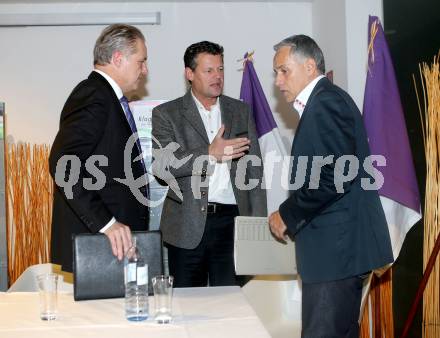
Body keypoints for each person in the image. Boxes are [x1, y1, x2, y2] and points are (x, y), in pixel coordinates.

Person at [268, 35, 393, 337]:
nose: (278, 81)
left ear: (310, 66)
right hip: (335, 254)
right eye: (276, 73)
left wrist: (287, 213)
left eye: (284, 70)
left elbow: (333, 177)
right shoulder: (324, 101)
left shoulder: (325, 102)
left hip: (335, 255)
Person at [152, 41, 266, 287]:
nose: (218, 76)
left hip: (232, 224)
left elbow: (254, 172)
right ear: (190, 74)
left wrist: (258, 227)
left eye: (221, 69)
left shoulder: (240, 111)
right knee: (187, 309)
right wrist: (208, 153)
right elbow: (162, 166)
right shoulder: (166, 114)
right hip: (186, 227)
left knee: (231, 306)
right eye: (209, 70)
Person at [49, 24, 149, 272]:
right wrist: (106, 223)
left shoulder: (105, 96)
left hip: (114, 243)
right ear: (118, 59)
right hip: (101, 241)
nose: (145, 70)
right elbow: (63, 164)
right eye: (141, 61)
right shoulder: (94, 95)